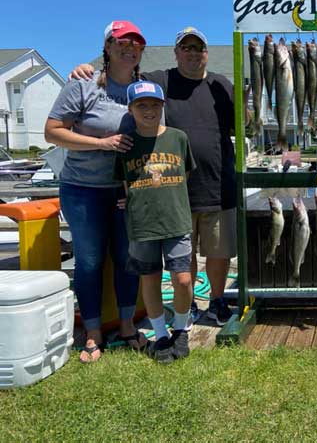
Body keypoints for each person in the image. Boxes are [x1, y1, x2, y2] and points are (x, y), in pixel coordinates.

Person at [71, 27, 238, 327]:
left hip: (218, 184)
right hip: (174, 189)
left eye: (197, 48)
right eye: (185, 48)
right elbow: (121, 71)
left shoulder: (221, 84)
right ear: (176, 53)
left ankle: (217, 299)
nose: (191, 53)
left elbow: (241, 125)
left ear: (206, 53)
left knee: (218, 251)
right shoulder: (159, 80)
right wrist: (87, 69)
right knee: (182, 259)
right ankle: (187, 308)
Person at [45, 20, 148, 363]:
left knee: (127, 260)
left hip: (125, 192)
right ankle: (92, 333)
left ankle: (127, 326)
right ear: (107, 46)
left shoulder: (143, 88)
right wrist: (100, 143)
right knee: (88, 261)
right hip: (83, 190)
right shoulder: (83, 84)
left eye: (135, 43)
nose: (129, 47)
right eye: (121, 42)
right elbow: (52, 132)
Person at [114, 81, 195, 363]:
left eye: (154, 104)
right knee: (150, 279)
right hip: (142, 224)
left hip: (177, 220)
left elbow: (187, 174)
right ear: (131, 109)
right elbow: (125, 184)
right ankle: (160, 335)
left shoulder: (178, 138)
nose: (148, 110)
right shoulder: (125, 145)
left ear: (163, 106)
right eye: (141, 105)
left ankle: (181, 328)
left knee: (183, 279)